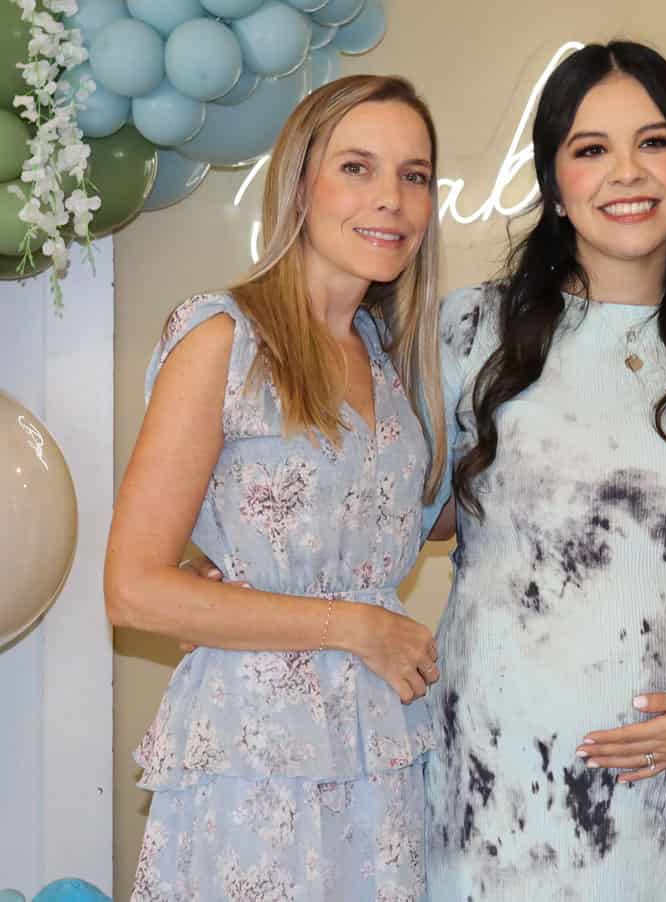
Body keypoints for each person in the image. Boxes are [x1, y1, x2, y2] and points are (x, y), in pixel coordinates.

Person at [426, 41, 666, 900]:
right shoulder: (471, 333)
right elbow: (386, 510)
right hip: (494, 799)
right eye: (591, 149)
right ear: (555, 185)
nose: (626, 172)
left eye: (654, 142)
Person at [105, 75, 446, 901]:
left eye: (414, 175)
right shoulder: (223, 338)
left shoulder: (390, 359)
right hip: (254, 760)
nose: (391, 199)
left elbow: (402, 522)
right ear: (299, 183)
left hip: (380, 756)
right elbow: (133, 590)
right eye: (357, 167)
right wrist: (353, 626)